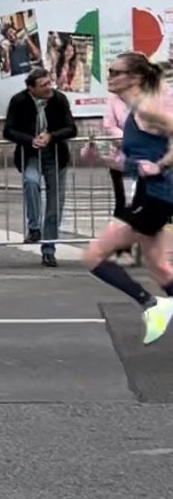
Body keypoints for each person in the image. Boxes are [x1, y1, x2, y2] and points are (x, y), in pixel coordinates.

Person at [79, 52, 173, 345]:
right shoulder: (134, 111)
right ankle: (156, 304)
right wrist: (101, 159)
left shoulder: (146, 110)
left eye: (115, 72)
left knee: (93, 256)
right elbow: (135, 163)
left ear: (134, 77)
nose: (109, 77)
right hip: (150, 193)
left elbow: (153, 162)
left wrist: (162, 165)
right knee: (159, 267)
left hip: (159, 195)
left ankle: (150, 304)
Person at [3, 67, 78, 267]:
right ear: (31, 88)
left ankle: (49, 250)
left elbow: (71, 128)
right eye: (43, 85)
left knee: (54, 206)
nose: (49, 87)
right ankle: (34, 226)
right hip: (31, 155)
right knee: (30, 181)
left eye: (49, 82)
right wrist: (30, 140)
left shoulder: (59, 99)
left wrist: (51, 136)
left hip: (55, 156)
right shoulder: (19, 101)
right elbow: (8, 130)